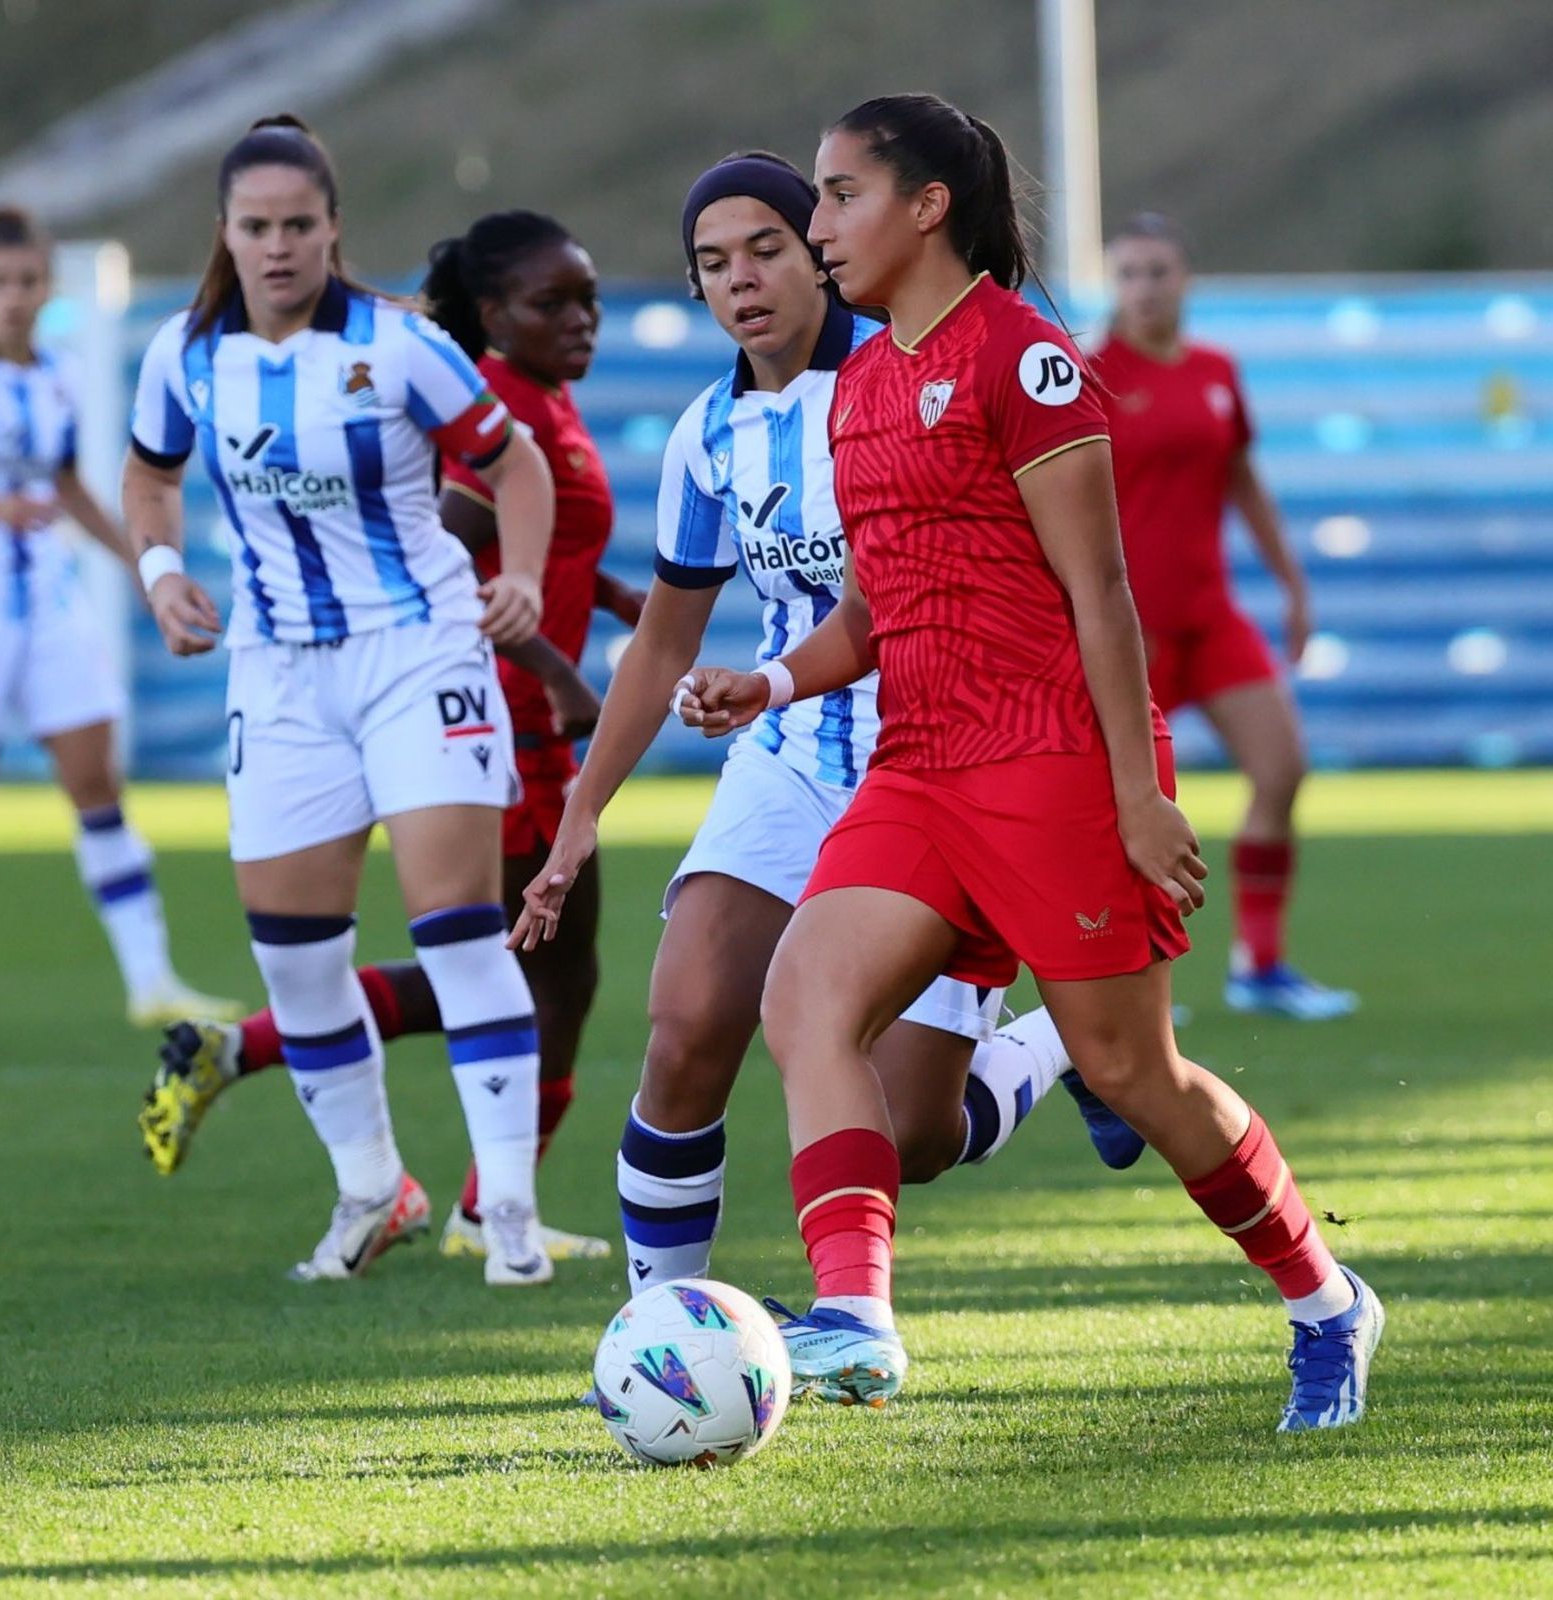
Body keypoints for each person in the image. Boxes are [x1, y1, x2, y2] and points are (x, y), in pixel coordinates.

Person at [670, 97, 1381, 1430]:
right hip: (921, 765)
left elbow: (1100, 593)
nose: (816, 228)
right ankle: (858, 1316)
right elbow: (877, 614)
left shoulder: (1029, 361)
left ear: (927, 204)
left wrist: (1137, 792)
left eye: (838, 195)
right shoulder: (867, 384)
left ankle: (1327, 1303)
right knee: (805, 1001)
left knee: (1136, 1077)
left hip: (1054, 763)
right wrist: (767, 680)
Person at [513, 151, 1143, 1304]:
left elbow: (1064, 578)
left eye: (765, 248)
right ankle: (665, 1336)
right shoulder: (710, 434)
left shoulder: (914, 380)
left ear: (822, 248)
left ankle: (1050, 1044)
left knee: (911, 1131)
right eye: (711, 263)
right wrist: (579, 818)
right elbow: (661, 639)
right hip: (793, 754)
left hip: (943, 759)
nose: (741, 280)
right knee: (689, 1023)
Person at [139, 209, 642, 1263]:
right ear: (494, 316)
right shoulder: (491, 398)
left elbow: (542, 552)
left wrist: (624, 604)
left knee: (526, 956)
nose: (583, 319)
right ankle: (465, 1197)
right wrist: (553, 669)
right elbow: (446, 544)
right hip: (476, 705)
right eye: (555, 302)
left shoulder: (543, 399)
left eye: (589, 298)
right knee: (510, 952)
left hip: (514, 710)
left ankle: (469, 1195)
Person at [0, 204, 238, 1028]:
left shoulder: (57, 376)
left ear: (48, 289)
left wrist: (147, 568)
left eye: (29, 281)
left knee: (97, 788)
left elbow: (71, 485)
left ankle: (151, 980)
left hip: (48, 610)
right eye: (1, 282)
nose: (15, 295)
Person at [1095, 214, 1354, 1020]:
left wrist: (1293, 584)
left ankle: (1261, 966)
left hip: (1210, 615)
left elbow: (1242, 479)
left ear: (1185, 280)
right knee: (1115, 807)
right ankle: (1126, 977)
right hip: (1126, 631)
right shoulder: (1087, 374)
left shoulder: (1216, 371)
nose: (1144, 287)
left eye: (1158, 271)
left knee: (1282, 769)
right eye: (1130, 273)